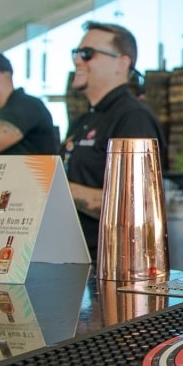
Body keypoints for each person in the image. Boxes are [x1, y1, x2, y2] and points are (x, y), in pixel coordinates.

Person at [61, 21, 166, 259]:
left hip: (111, 264)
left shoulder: (132, 117)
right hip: (75, 258)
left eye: (87, 54)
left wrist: (57, 189)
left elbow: (137, 206)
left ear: (121, 63)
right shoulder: (83, 120)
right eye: (76, 53)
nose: (77, 60)